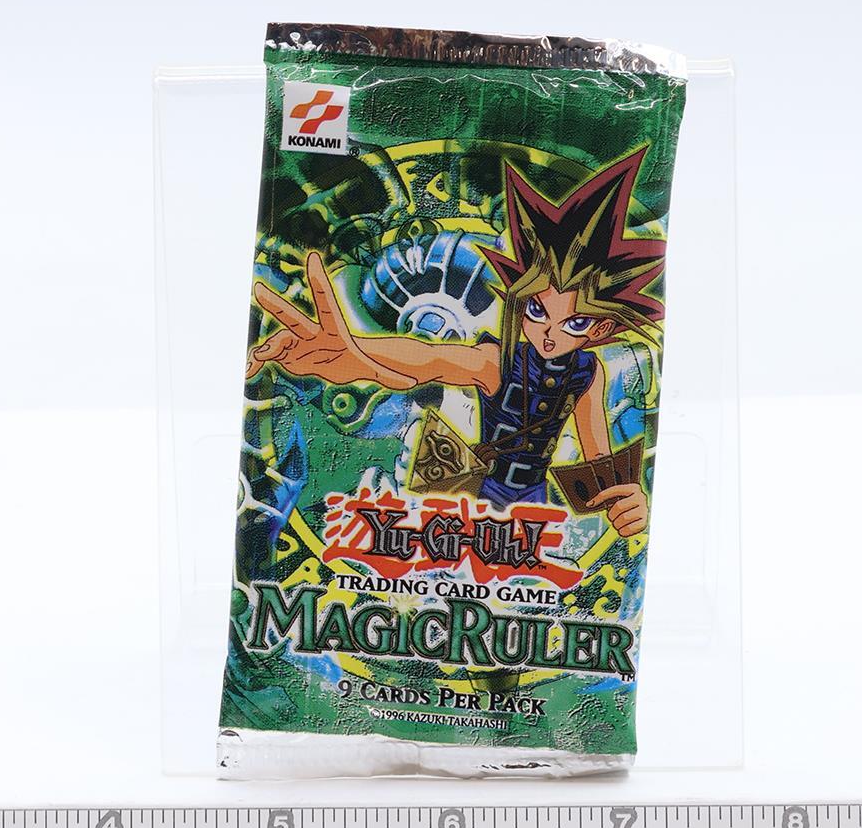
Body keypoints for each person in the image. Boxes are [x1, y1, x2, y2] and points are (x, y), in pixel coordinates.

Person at [246, 149, 665, 538]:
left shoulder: (588, 373)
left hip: (530, 509)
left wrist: (627, 501)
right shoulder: (496, 362)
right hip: (473, 497)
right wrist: (358, 353)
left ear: (601, 329)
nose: (549, 332)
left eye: (575, 322)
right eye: (537, 310)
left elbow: (598, 459)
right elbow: (430, 358)